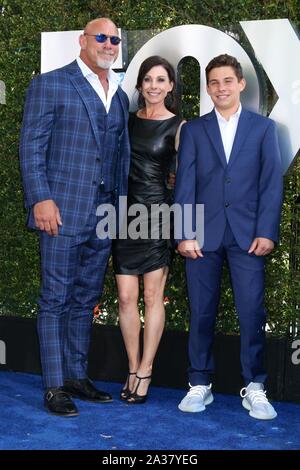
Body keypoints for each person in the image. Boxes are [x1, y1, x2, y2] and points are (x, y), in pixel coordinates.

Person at [19, 18, 130, 416]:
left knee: (85, 299)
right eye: (101, 37)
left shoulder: (118, 94)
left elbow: (120, 157)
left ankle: (75, 376)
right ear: (82, 41)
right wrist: (41, 199)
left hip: (103, 214)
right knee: (55, 298)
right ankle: (53, 387)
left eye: (114, 39)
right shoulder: (50, 83)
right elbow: (31, 147)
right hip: (61, 211)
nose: (108, 43)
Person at [175, 54, 283, 420]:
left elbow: (271, 185)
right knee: (201, 311)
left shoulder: (263, 129)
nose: (220, 88)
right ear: (208, 88)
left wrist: (267, 231)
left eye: (227, 81)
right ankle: (198, 383)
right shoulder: (193, 130)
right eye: (214, 83)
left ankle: (255, 385)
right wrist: (184, 232)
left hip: (248, 237)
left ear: (241, 84)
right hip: (202, 237)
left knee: (252, 311)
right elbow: (185, 185)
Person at [112, 56, 184, 404]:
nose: (153, 86)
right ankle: (130, 367)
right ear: (139, 85)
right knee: (126, 297)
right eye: (148, 80)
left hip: (158, 215)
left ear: (171, 86)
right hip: (123, 213)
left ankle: (146, 369)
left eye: (161, 80)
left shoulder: (180, 126)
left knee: (153, 297)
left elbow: (187, 178)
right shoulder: (125, 122)